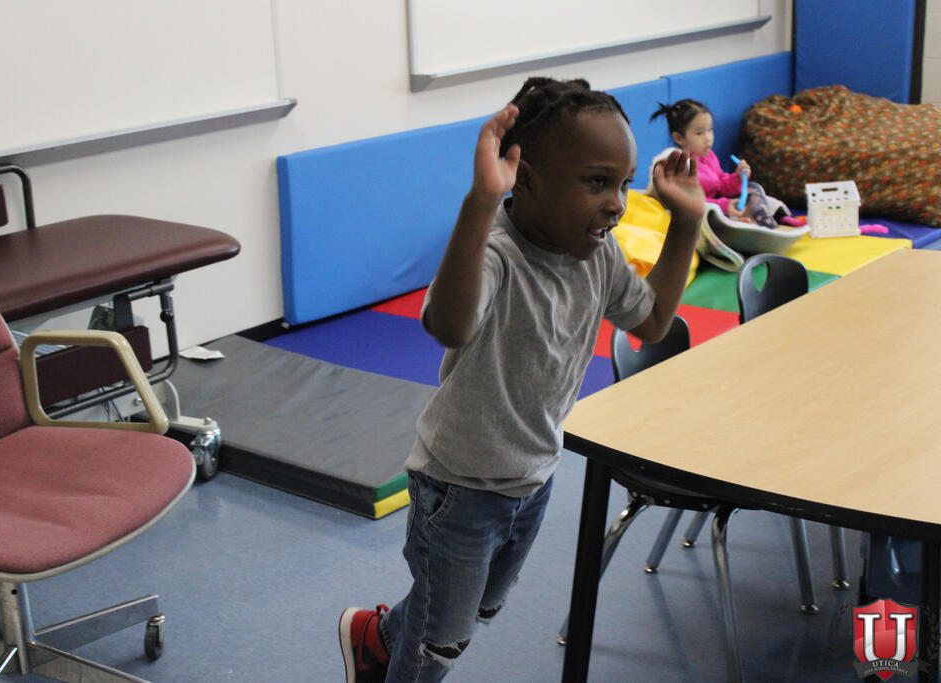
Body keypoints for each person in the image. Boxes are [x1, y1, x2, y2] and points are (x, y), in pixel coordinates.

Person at [339, 77, 705, 683]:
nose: (617, 203)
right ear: (527, 180)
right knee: (440, 643)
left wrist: (687, 221)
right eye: (596, 183)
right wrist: (481, 202)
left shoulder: (599, 252)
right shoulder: (496, 254)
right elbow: (448, 325)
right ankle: (390, 653)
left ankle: (374, 638)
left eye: (623, 183)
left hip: (533, 476)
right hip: (459, 488)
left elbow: (652, 321)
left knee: (474, 609)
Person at [649, 98, 801, 228]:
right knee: (735, 213)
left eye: (710, 130)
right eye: (699, 133)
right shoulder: (680, 165)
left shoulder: (709, 156)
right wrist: (723, 206)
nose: (708, 138)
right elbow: (688, 203)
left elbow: (721, 184)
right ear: (679, 138)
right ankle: (759, 223)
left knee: (754, 188)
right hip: (703, 216)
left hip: (721, 206)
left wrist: (738, 177)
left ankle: (777, 217)